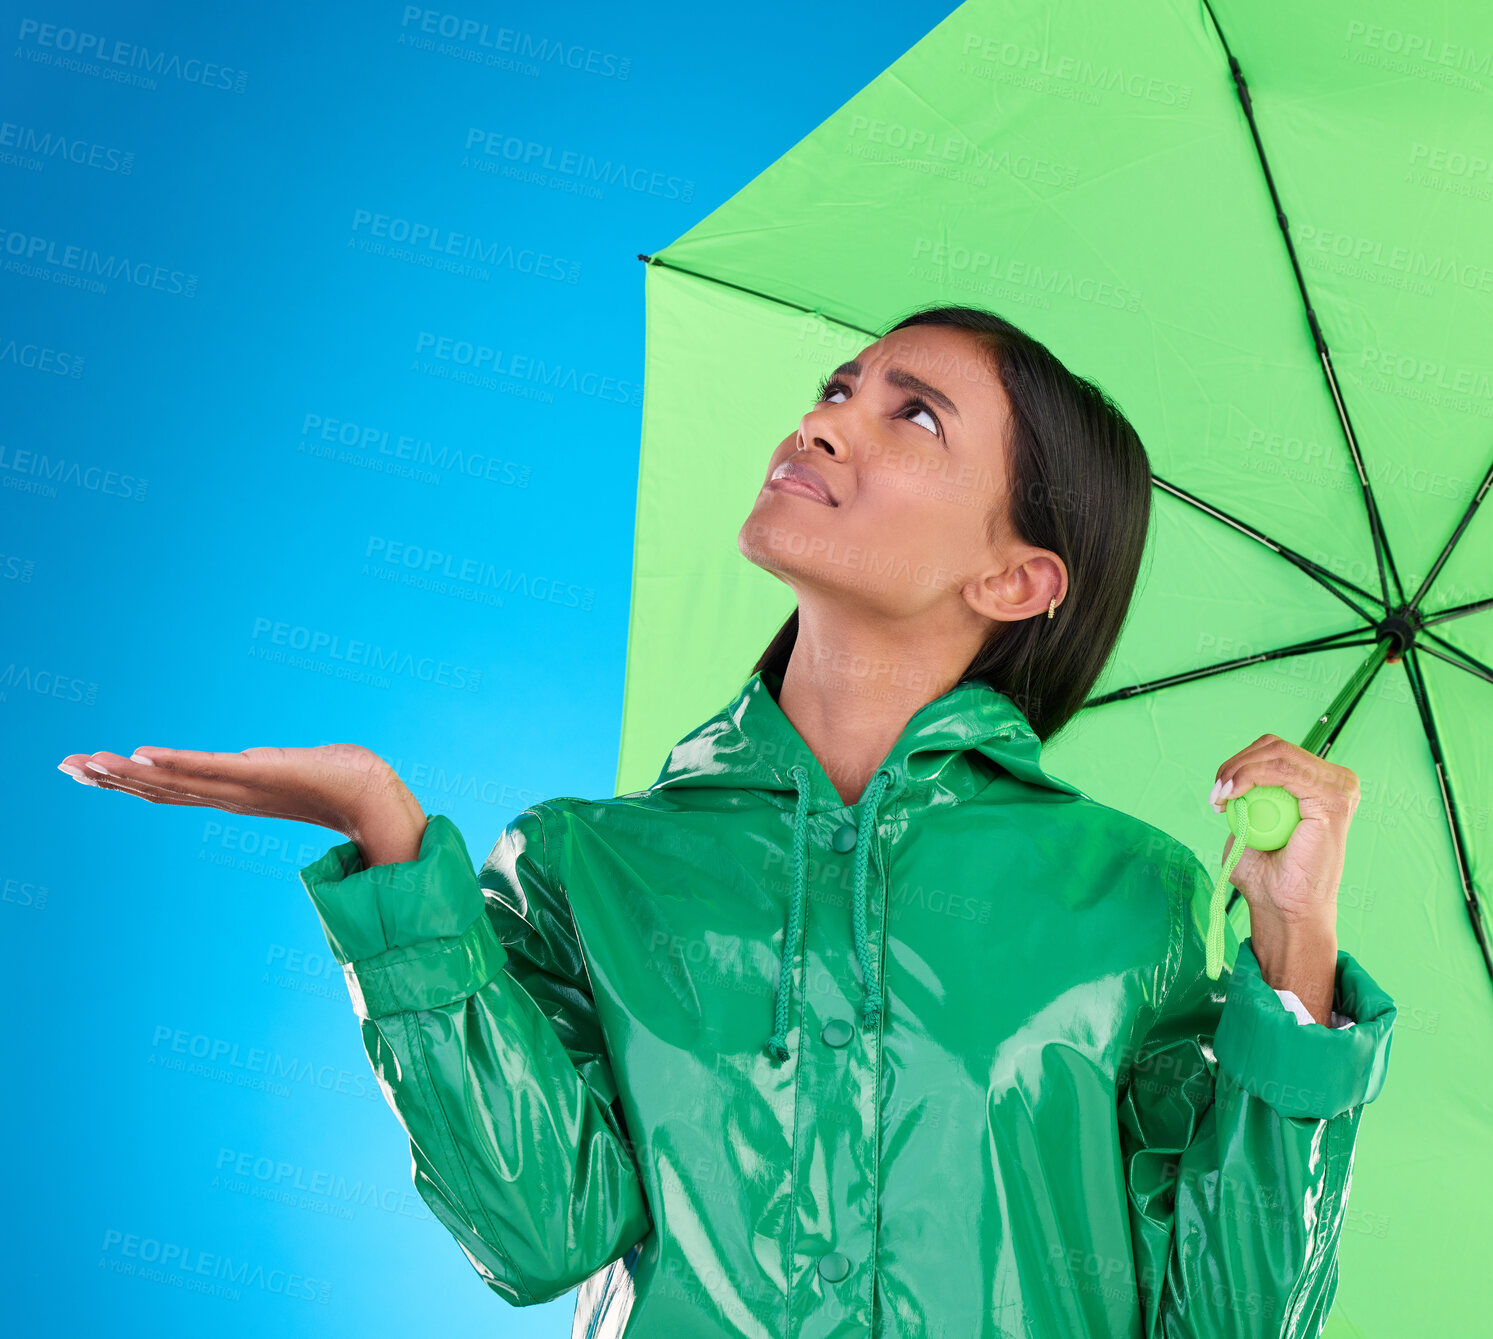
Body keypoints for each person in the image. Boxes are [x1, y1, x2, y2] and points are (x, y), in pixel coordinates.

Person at [58, 305, 1395, 1338]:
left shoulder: (1128, 896)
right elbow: (536, 1231)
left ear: (1017, 575)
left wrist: (1290, 955)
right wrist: (394, 853)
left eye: (912, 416)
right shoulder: (589, 863)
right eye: (836, 389)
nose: (824, 425)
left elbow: (1229, 1318)